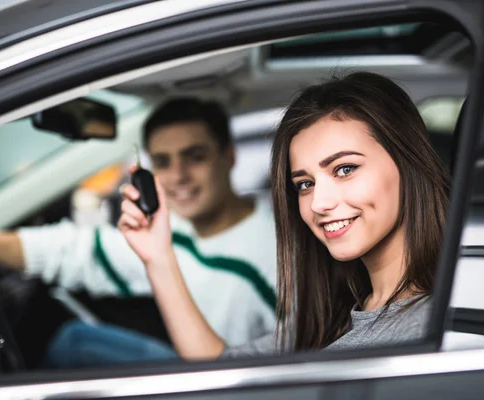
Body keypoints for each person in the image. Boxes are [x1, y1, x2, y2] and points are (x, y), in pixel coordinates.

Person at [0, 98, 277, 366]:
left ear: (228, 157)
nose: (178, 175)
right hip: (197, 363)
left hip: (231, 380)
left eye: (195, 156)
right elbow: (74, 249)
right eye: (164, 162)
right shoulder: (174, 230)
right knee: (72, 340)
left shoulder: (277, 250)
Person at [116, 72, 450, 360]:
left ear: (409, 165)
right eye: (304, 184)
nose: (319, 202)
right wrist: (158, 255)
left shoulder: (429, 323)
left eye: (345, 169)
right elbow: (221, 362)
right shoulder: (335, 310)